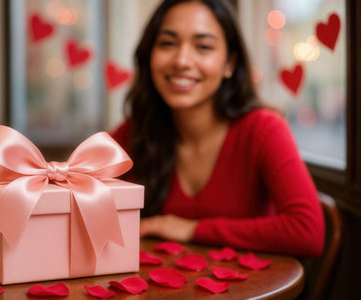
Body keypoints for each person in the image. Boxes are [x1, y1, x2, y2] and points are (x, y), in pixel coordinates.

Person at [110, 0, 324, 257]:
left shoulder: (264, 129)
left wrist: (191, 229)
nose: (181, 60)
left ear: (229, 63)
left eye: (203, 46)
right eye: (168, 43)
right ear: (149, 56)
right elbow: (77, 191)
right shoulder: (135, 131)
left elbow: (308, 232)